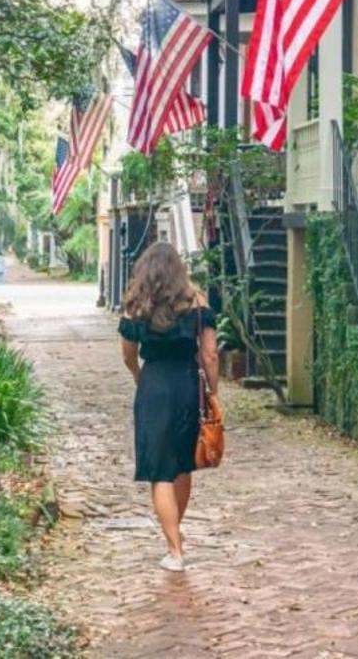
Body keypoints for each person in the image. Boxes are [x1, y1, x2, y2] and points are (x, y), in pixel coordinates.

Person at [118, 240, 218, 572]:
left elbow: (128, 353)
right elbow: (209, 355)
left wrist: (138, 376)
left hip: (154, 386)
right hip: (188, 384)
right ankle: (175, 536)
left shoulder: (136, 306)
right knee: (182, 466)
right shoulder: (197, 303)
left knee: (160, 471)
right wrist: (212, 393)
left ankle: (174, 550)